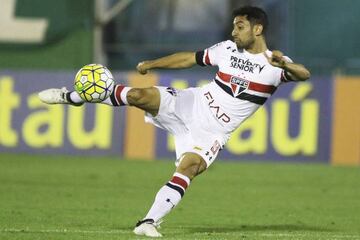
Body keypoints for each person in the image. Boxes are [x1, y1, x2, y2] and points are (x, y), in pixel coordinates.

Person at [38, 6, 310, 238]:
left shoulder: (275, 64)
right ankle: (73, 96)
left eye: (239, 27)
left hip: (211, 132)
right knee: (137, 94)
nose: (233, 32)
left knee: (189, 168)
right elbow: (188, 59)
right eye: (234, 27)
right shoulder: (227, 50)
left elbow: (303, 74)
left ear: (257, 29)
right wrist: (153, 63)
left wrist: (285, 66)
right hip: (191, 103)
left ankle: (147, 222)